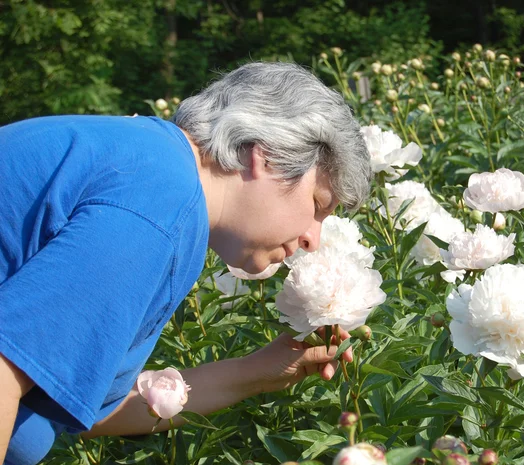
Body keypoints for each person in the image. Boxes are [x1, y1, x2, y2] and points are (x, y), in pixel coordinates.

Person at [0, 61, 371, 464]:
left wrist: (258, 372)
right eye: (317, 205)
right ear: (266, 157)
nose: (312, 240)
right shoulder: (162, 206)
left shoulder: (156, 168)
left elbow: (90, 408)